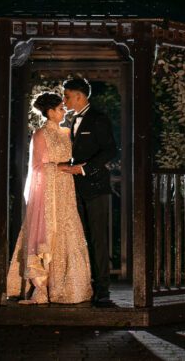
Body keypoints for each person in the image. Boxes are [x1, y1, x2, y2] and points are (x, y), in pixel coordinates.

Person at [6, 92, 93, 304]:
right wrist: (62, 167)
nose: (64, 111)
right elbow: (36, 167)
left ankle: (70, 287)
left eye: (63, 108)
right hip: (49, 189)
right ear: (50, 112)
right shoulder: (40, 134)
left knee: (68, 229)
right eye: (60, 108)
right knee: (46, 231)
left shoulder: (66, 132)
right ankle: (41, 288)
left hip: (66, 187)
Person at [59, 77, 118, 307]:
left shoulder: (98, 119)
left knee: (98, 239)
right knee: (80, 239)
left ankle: (103, 290)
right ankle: (84, 285)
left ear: (80, 96)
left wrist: (85, 168)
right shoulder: (71, 119)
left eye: (67, 96)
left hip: (95, 188)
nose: (64, 100)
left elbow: (110, 150)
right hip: (75, 189)